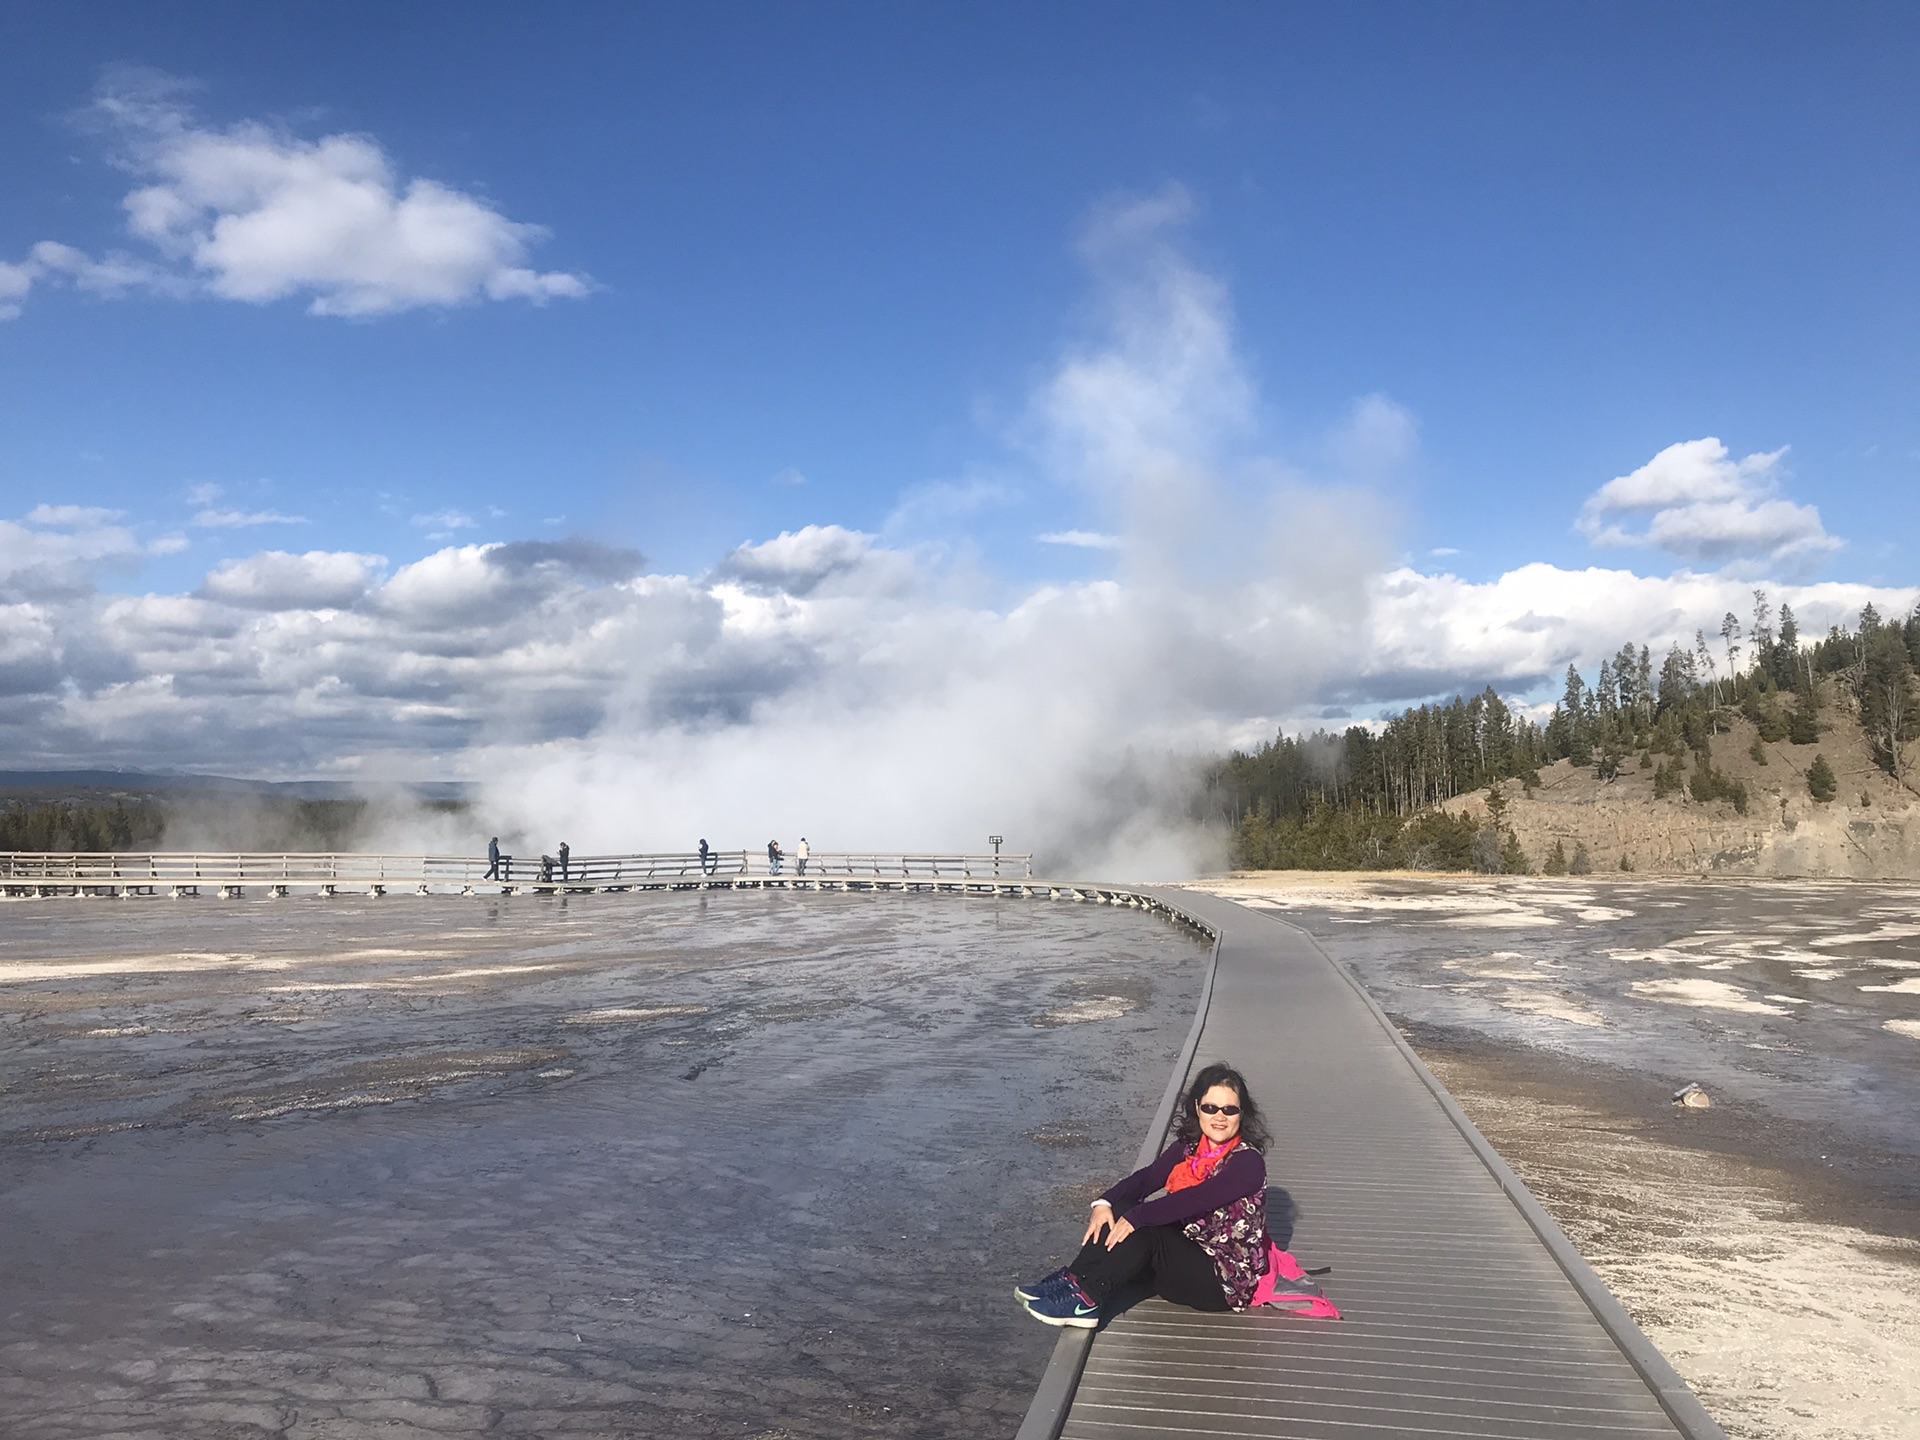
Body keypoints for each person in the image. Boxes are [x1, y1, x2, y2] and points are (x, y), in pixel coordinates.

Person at [1017, 1063, 1271, 1327]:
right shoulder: (1189, 1147)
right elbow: (1148, 1178)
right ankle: (1074, 1279)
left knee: (1146, 1227)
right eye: (1210, 1108)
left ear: (1242, 1113)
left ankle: (1089, 1300)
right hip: (1184, 1259)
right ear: (1197, 1108)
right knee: (1121, 1208)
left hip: (1221, 1282)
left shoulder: (1247, 1162)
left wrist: (1138, 1217)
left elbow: (1195, 1199)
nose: (1219, 1117)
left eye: (1229, 1110)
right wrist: (1105, 1202)